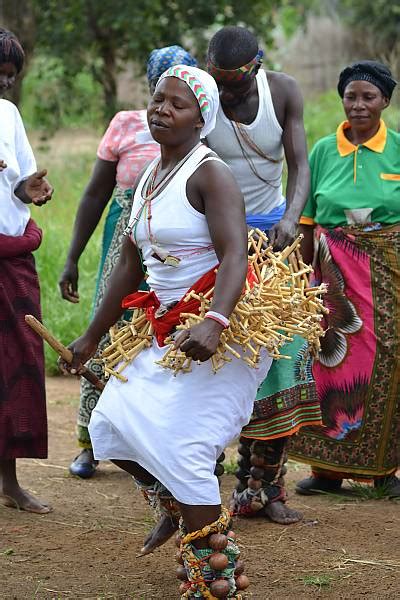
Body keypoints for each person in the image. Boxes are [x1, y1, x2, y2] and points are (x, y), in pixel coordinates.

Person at [62, 64, 271, 598]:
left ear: (202, 119)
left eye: (177, 104)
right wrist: (90, 334)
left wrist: (215, 321)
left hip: (219, 334)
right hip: (166, 328)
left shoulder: (210, 173)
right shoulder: (152, 174)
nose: (161, 110)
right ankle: (175, 505)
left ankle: (213, 574)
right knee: (111, 424)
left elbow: (234, 256)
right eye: (157, 99)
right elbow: (130, 267)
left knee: (184, 446)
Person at [59, 46, 197, 479]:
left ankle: (169, 449)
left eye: (180, 95)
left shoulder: (200, 135)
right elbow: (95, 194)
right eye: (161, 92)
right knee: (109, 332)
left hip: (179, 251)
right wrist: (72, 258)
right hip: (129, 240)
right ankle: (91, 442)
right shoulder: (125, 124)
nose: (166, 105)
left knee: (167, 339)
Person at [205, 26, 321, 524]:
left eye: (233, 84)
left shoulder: (285, 90)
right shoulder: (204, 96)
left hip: (274, 242)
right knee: (211, 358)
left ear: (256, 67)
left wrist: (291, 218)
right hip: (214, 243)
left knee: (280, 357)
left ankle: (264, 485)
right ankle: (199, 485)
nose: (225, 94)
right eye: (218, 83)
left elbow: (299, 164)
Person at [288, 61, 400, 497]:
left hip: (388, 273)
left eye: (368, 97)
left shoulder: (397, 149)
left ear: (385, 102)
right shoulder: (321, 151)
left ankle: (381, 472)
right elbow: (306, 220)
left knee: (386, 360)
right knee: (327, 362)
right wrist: (301, 276)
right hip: (331, 273)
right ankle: (326, 471)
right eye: (351, 97)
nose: (358, 106)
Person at [0, 28, 53, 514]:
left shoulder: (8, 115)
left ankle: (10, 482)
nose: (3, 85)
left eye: (9, 78)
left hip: (11, 256)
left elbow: (17, 184)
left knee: (18, 364)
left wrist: (29, 190)